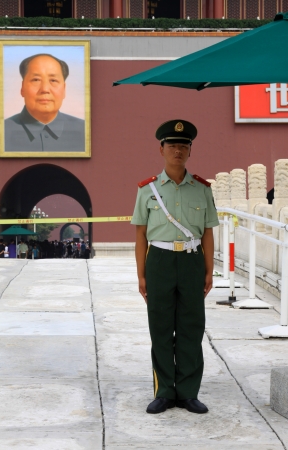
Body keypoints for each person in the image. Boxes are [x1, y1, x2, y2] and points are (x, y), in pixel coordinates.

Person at [131, 119, 219, 415]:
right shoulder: (147, 190)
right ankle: (165, 391)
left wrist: (209, 270)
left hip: (192, 261)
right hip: (159, 261)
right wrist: (141, 274)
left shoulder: (202, 189)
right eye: (172, 145)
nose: (178, 150)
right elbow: (140, 234)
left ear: (190, 151)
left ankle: (188, 392)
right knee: (160, 326)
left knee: (192, 326)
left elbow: (207, 232)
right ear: (162, 149)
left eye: (183, 145)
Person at [5, 53, 85, 153]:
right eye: (36, 80)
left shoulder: (86, 132)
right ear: (22, 88)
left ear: (64, 89)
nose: (45, 89)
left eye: (53, 80)